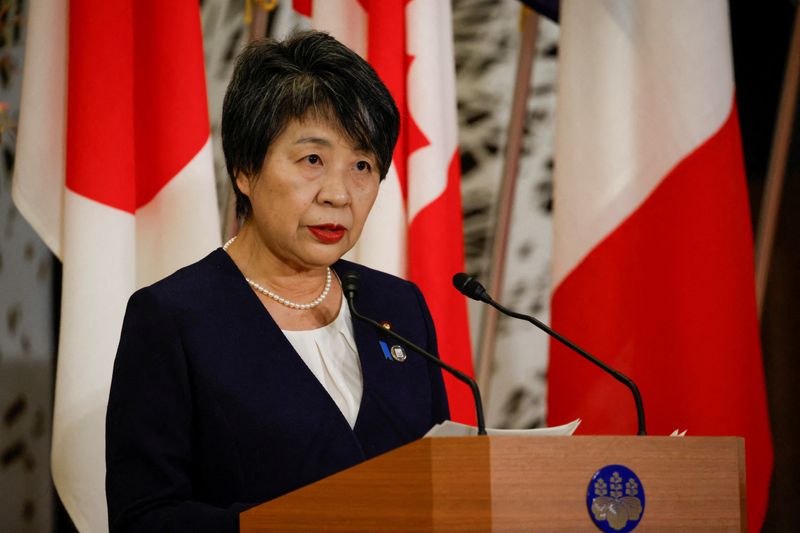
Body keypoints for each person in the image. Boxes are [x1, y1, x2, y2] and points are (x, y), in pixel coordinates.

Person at [105, 31, 449, 532]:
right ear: (244, 168)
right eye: (313, 160)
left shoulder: (397, 305)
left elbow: (441, 476)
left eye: (362, 165)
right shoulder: (174, 319)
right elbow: (144, 517)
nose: (338, 193)